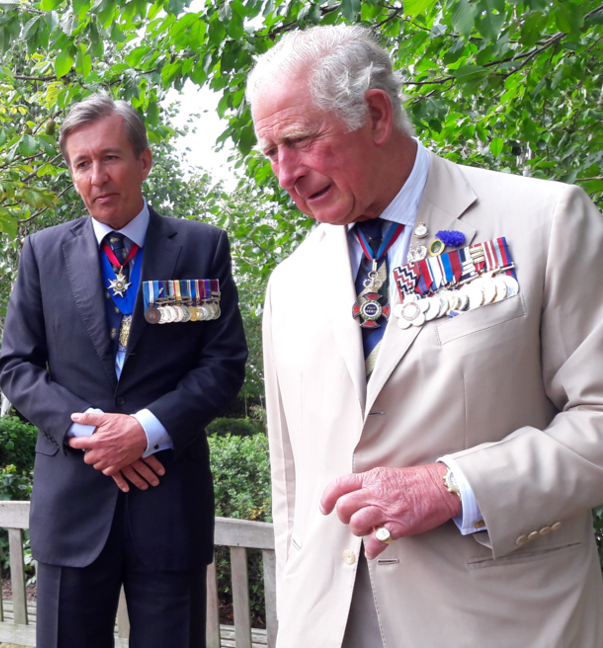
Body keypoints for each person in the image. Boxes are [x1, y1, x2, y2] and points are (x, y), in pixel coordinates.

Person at [251, 25, 603, 647]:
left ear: (377, 115)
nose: (285, 173)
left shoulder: (544, 221)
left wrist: (453, 486)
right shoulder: (289, 283)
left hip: (501, 624)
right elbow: (292, 486)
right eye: (270, 152)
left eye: (300, 141)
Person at [0, 93, 247, 648]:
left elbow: (223, 363)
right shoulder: (41, 254)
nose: (96, 176)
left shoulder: (202, 248)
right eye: (81, 164)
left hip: (169, 501)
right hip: (73, 504)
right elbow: (16, 366)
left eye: (110, 157)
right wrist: (96, 436)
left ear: (144, 160)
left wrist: (144, 432)